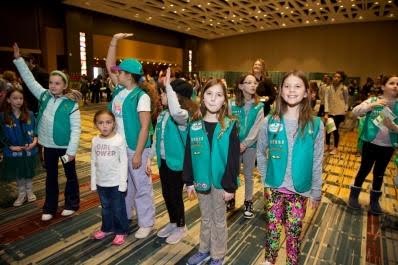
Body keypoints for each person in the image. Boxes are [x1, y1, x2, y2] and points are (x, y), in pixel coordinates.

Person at [257, 70, 324, 265]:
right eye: (287, 86)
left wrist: (316, 191)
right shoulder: (269, 121)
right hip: (275, 187)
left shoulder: (316, 124)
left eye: (297, 86)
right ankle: (270, 260)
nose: (291, 90)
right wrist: (265, 178)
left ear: (306, 93)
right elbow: (261, 152)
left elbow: (317, 160)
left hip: (300, 190)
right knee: (272, 227)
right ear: (280, 91)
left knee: (294, 232)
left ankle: (292, 261)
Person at [13, 43, 81, 221]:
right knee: (51, 177)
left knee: (70, 176)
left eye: (57, 83)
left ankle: (71, 204)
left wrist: (72, 151)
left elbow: (76, 129)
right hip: (48, 145)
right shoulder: (43, 95)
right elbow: (29, 80)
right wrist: (19, 60)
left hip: (66, 146)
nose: (52, 86)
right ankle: (49, 207)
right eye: (51, 82)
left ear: (65, 85)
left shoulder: (71, 104)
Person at [183, 79, 240, 265]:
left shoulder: (229, 125)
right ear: (202, 97)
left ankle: (218, 254)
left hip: (221, 183)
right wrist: (189, 181)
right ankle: (204, 249)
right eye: (209, 94)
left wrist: (230, 186)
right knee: (205, 218)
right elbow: (189, 155)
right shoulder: (195, 125)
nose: (213, 99)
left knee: (218, 220)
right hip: (201, 181)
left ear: (225, 100)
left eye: (218, 95)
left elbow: (233, 159)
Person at [106, 33, 156, 239]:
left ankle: (147, 222)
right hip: (119, 147)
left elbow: (145, 127)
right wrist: (114, 41)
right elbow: (110, 65)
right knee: (125, 184)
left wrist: (137, 154)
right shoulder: (119, 90)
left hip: (137, 147)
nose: (117, 73)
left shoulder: (141, 96)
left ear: (129, 75)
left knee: (142, 186)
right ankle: (127, 214)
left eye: (121, 71)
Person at [146, 68, 198, 244]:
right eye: (162, 92)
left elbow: (177, 112)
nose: (161, 96)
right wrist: (149, 158)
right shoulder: (162, 115)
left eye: (165, 93)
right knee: (167, 194)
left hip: (177, 164)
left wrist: (168, 86)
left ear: (177, 97)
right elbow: (156, 139)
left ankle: (181, 226)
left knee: (175, 196)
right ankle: (173, 222)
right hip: (163, 163)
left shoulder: (183, 117)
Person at [348, 75, 398, 215]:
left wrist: (393, 127)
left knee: (379, 173)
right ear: (383, 86)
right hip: (370, 143)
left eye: (397, 84)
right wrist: (370, 106)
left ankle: (374, 200)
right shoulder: (374, 100)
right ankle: (353, 195)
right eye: (391, 83)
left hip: (388, 147)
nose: (395, 86)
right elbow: (355, 111)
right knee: (364, 169)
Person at [91, 110, 128, 245]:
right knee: (105, 207)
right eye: (101, 123)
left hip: (116, 182)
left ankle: (121, 231)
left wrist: (123, 183)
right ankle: (107, 228)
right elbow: (93, 162)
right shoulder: (95, 140)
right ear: (96, 124)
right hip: (102, 182)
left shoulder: (118, 139)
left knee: (118, 209)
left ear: (113, 123)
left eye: (108, 122)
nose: (105, 126)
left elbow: (124, 162)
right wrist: (94, 182)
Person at [229, 74, 264, 218]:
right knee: (233, 173)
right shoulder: (232, 105)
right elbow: (229, 125)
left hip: (250, 146)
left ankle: (248, 202)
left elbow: (257, 128)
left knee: (249, 175)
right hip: (234, 146)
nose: (252, 85)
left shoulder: (259, 106)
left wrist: (245, 144)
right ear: (241, 86)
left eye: (254, 82)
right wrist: (236, 143)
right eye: (248, 82)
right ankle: (231, 198)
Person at [0, 88, 38, 206]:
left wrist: (34, 141)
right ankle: (21, 194)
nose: (18, 101)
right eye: (15, 98)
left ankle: (30, 191)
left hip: (29, 150)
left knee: (28, 171)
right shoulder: (3, 116)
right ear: (8, 100)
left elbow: (36, 130)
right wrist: (10, 146)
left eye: (21, 98)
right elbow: (1, 134)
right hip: (14, 151)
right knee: (18, 173)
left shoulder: (30, 114)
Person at [324, 71, 349, 155]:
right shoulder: (328, 88)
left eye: (338, 77)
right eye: (335, 76)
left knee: (335, 130)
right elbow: (326, 101)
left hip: (339, 112)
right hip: (330, 112)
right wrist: (326, 112)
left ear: (341, 79)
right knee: (328, 129)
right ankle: (327, 145)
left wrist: (345, 110)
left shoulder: (344, 88)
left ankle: (335, 148)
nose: (336, 78)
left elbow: (346, 100)